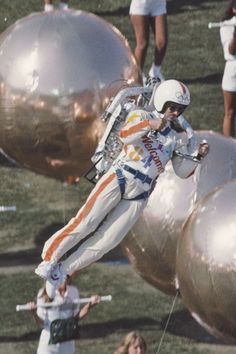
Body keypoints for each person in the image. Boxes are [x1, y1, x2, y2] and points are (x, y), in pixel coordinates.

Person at [35, 79, 209, 299]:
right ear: (161, 102)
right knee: (86, 221)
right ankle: (50, 256)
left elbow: (183, 171)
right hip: (120, 176)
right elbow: (126, 135)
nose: (175, 113)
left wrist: (198, 157)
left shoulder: (175, 138)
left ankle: (65, 269)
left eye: (179, 109)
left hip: (140, 194)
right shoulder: (141, 115)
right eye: (172, 107)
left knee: (108, 240)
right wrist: (151, 125)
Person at [27, 277, 101, 354]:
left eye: (66, 275)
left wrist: (90, 305)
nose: (64, 278)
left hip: (67, 346)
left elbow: (76, 318)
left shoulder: (73, 291)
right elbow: (41, 322)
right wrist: (34, 313)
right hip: (48, 345)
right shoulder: (43, 293)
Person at [129, 0, 168, 82]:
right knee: (142, 44)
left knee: (162, 42)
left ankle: (155, 72)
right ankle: (138, 75)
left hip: (158, 4)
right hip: (140, 5)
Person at [220, 0, 236, 137]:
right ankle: (229, 149)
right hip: (232, 71)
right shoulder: (226, 26)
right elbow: (231, 51)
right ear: (234, 10)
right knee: (229, 112)